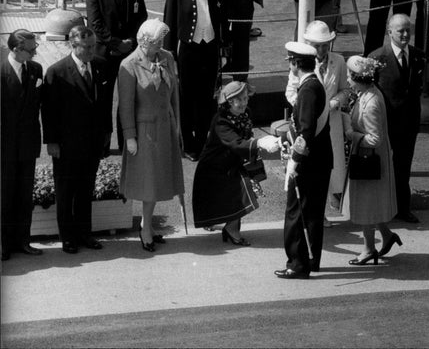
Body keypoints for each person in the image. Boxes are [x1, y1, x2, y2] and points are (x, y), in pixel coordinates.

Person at [41, 26, 112, 254]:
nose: (92, 50)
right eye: (87, 47)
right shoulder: (57, 71)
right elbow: (48, 112)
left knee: (85, 189)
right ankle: (68, 237)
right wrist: (52, 142)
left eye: (93, 46)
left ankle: (85, 234)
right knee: (66, 191)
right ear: (73, 45)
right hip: (66, 145)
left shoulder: (100, 66)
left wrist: (106, 134)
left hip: (92, 142)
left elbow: (105, 105)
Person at [118, 19, 184, 252]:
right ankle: (146, 228)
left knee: (158, 180)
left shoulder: (167, 57)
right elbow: (125, 105)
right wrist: (129, 136)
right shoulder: (129, 64)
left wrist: (177, 123)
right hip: (145, 132)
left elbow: (174, 93)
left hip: (165, 127)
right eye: (157, 42)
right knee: (148, 182)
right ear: (145, 42)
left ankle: (148, 224)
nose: (161, 45)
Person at [275, 42, 333, 279]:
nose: (290, 66)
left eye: (291, 62)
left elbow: (306, 130)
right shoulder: (313, 84)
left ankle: (298, 264)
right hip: (319, 160)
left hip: (309, 163)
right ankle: (311, 260)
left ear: (297, 64)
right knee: (311, 213)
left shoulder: (308, 90)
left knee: (296, 213)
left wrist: (295, 161)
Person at [164, 0, 228, 162]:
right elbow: (169, 26)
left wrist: (225, 50)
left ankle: (202, 141)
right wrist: (169, 55)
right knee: (186, 97)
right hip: (188, 50)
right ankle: (188, 143)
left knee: (206, 97)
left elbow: (224, 24)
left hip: (209, 48)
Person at [285, 21, 351, 220]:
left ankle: (333, 197)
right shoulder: (303, 63)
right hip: (311, 124)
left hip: (333, 120)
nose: (321, 49)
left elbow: (345, 90)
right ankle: (317, 212)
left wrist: (334, 103)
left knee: (332, 165)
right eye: (317, 45)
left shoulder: (338, 61)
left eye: (325, 45)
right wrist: (308, 107)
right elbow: (290, 92)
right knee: (311, 166)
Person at [85, 0, 148, 150]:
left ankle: (125, 141)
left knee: (128, 98)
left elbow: (142, 16)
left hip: (129, 51)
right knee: (103, 100)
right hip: (104, 53)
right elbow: (95, 23)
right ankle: (103, 143)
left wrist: (130, 41)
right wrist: (115, 43)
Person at [342, 55, 402, 264]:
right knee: (372, 203)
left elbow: (374, 139)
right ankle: (386, 235)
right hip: (374, 158)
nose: (347, 80)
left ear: (358, 78)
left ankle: (368, 249)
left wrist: (352, 135)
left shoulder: (371, 104)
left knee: (366, 205)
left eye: (350, 76)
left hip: (369, 160)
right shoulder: (370, 93)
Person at [369, 14, 425, 223]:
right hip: (386, 122)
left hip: (409, 123)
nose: (404, 34)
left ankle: (403, 208)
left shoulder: (419, 56)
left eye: (407, 30)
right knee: (383, 166)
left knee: (403, 167)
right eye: (400, 30)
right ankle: (381, 208)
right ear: (389, 32)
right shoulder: (377, 58)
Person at [192, 81, 263, 246]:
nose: (244, 103)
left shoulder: (245, 114)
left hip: (232, 163)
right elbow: (237, 143)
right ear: (229, 101)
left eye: (246, 98)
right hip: (214, 167)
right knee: (242, 193)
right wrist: (261, 143)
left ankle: (231, 228)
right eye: (240, 100)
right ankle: (231, 229)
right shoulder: (221, 121)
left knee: (243, 192)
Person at [1, 30, 43, 261]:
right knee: (4, 196)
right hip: (5, 147)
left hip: (28, 144)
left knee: (25, 195)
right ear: (16, 49)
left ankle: (23, 241)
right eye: (30, 49)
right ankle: (4, 244)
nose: (35, 52)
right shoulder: (1, 72)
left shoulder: (36, 70)